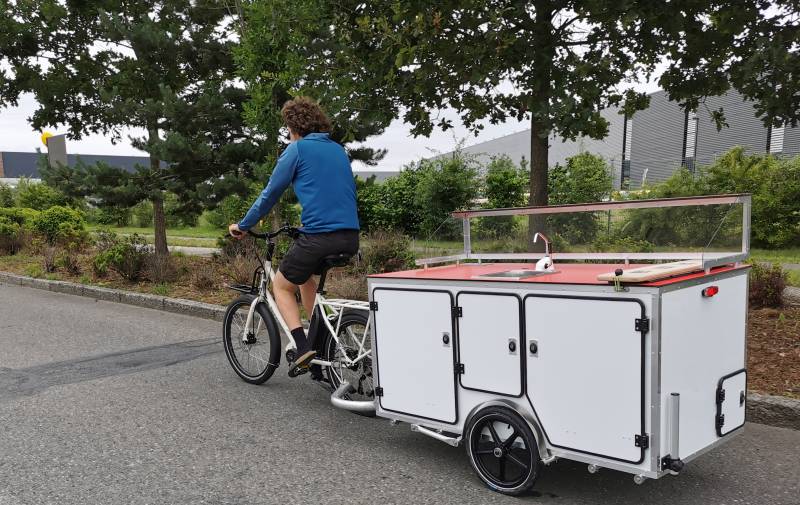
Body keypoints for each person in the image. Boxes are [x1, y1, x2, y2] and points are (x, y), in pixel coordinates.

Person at [229, 97, 359, 376]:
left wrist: (243, 225)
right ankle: (319, 346)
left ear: (293, 125)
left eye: (287, 126)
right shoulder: (338, 150)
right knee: (305, 281)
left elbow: (269, 195)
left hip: (320, 237)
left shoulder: (297, 150)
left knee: (282, 286)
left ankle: (302, 348)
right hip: (349, 236)